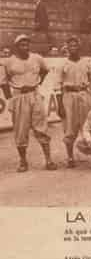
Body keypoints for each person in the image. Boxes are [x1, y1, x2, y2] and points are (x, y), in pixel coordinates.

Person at [1, 34, 57, 172]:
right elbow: (3, 82)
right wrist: (10, 99)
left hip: (34, 94)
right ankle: (23, 161)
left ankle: (49, 160)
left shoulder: (37, 58)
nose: (24, 47)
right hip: (19, 96)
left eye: (26, 44)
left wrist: (37, 83)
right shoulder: (9, 62)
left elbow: (45, 70)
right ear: (16, 46)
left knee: (41, 127)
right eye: (21, 44)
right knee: (20, 131)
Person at [55, 36, 91, 168]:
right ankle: (70, 157)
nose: (73, 48)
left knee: (89, 125)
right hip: (69, 96)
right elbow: (57, 86)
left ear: (79, 47)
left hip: (84, 95)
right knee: (69, 127)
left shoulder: (86, 63)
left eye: (75, 45)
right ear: (67, 48)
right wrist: (60, 105)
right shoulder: (62, 64)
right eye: (70, 46)